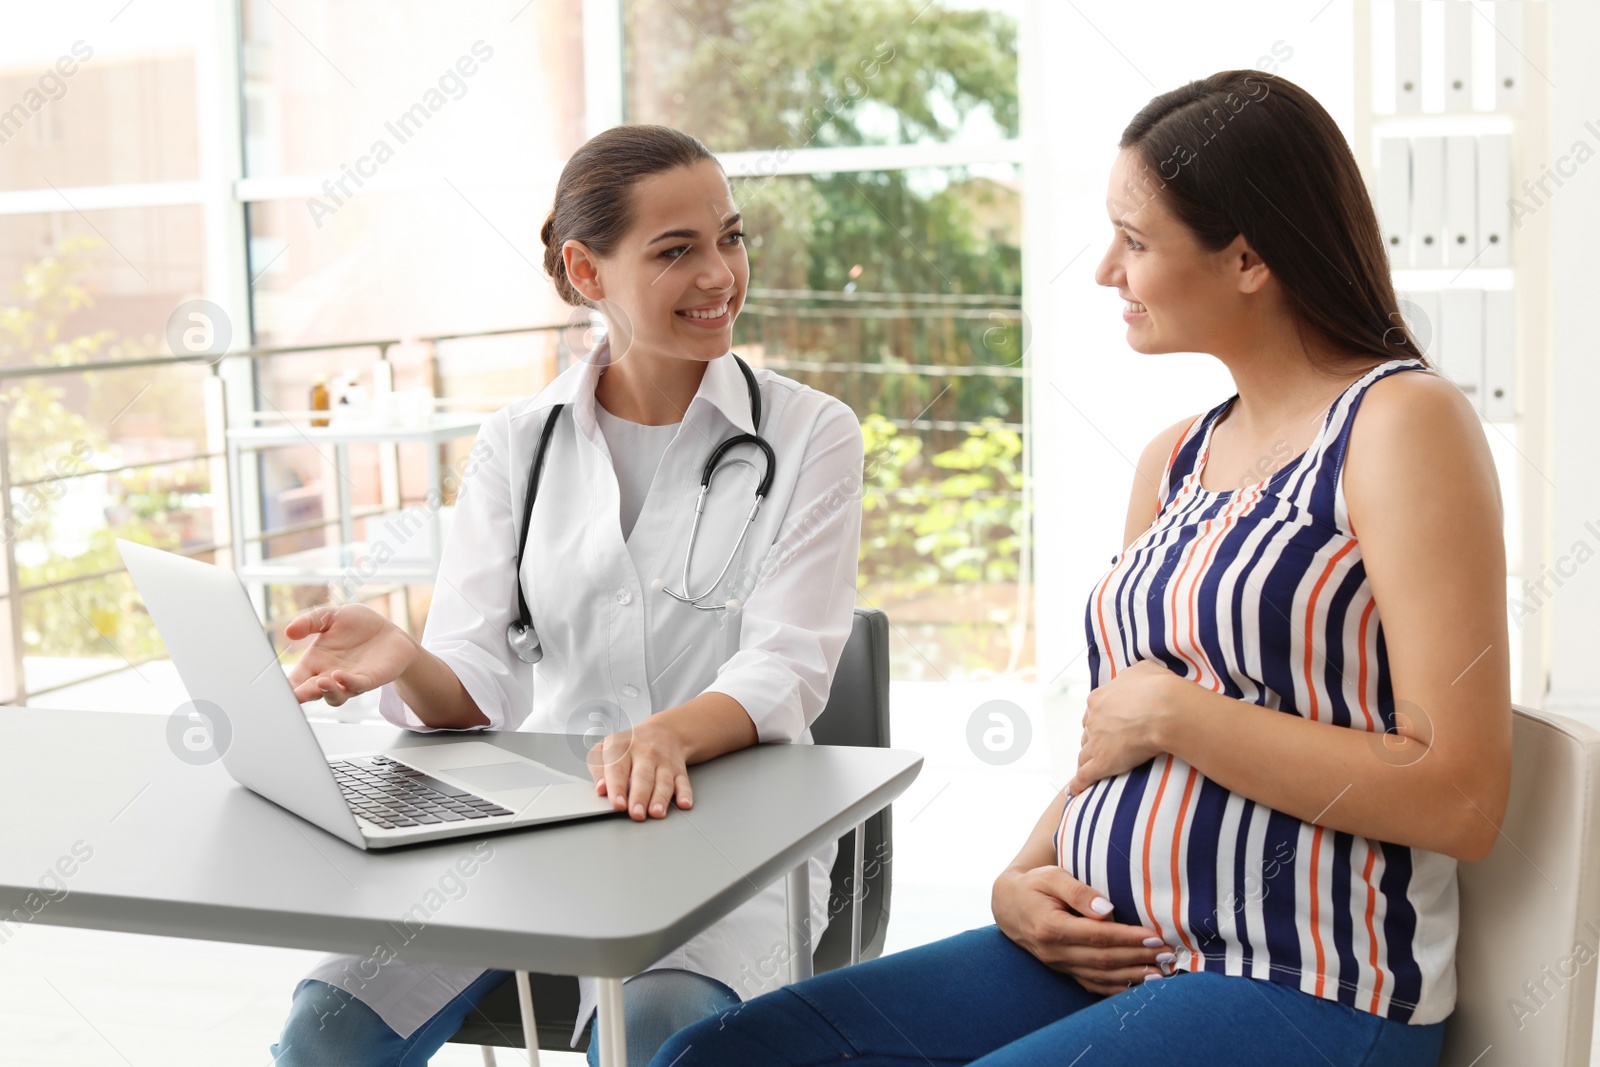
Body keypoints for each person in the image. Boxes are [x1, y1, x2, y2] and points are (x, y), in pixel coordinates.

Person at [650, 70, 1511, 1067]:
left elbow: (1462, 795)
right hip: (1110, 949)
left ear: (1247, 257)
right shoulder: (1175, 456)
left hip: (1302, 979)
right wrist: (1019, 876)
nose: (1106, 270)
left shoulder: (1400, 425)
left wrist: (1184, 714)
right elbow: (1119, 735)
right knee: (716, 1056)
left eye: (1135, 241)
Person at [267, 124, 865, 1066]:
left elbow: (787, 660)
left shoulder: (810, 433)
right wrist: (409, 657)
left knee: (659, 1035)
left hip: (728, 831)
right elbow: (478, 685)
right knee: (325, 1035)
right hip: (536, 825)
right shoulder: (519, 439)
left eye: (730, 238)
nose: (721, 275)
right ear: (587, 272)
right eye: (677, 251)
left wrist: (670, 733)